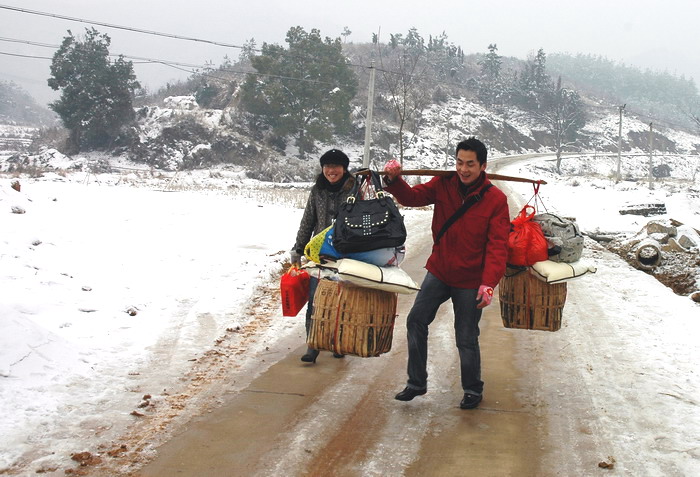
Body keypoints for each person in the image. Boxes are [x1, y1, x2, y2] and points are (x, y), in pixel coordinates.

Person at [382, 137, 510, 409]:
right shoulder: (444, 184)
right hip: (440, 271)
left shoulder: (495, 200)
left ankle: (472, 389)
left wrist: (488, 284)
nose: (463, 169)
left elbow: (498, 246)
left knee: (465, 336)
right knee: (416, 320)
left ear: (483, 166)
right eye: (460, 162)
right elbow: (413, 198)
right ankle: (416, 383)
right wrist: (394, 181)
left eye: (470, 165)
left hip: (470, 279)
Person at [291, 149, 355, 363]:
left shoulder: (355, 189)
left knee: (342, 300)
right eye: (327, 166)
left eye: (335, 166)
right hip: (320, 254)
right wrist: (298, 248)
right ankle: (314, 343)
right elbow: (308, 220)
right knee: (315, 299)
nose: (331, 171)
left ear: (344, 168)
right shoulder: (317, 190)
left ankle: (339, 342)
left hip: (347, 253)